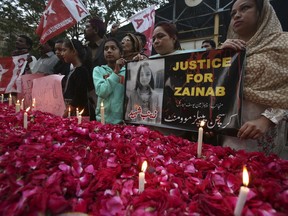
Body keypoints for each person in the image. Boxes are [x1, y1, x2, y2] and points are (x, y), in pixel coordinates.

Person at [219, 0, 288, 156]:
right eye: (233, 13)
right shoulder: (229, 49)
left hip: (263, 132)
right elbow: (212, 90)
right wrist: (218, 59)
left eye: (245, 8)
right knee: (227, 173)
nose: (237, 15)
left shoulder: (284, 44)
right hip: (228, 132)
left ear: (262, 12)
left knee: (262, 177)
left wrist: (267, 120)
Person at [93, 38, 126, 124]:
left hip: (122, 122)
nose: (109, 51)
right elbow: (102, 91)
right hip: (103, 121)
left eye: (113, 48)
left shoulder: (127, 71)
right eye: (106, 49)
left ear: (121, 53)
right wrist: (115, 73)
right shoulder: (98, 70)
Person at [84, 17, 107, 120]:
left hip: (105, 93)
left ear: (96, 30)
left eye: (87, 27)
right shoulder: (84, 49)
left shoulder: (109, 46)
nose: (84, 30)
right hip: (87, 95)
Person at [61, 39, 90, 118]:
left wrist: (70, 109)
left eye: (64, 50)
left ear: (74, 52)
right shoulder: (73, 70)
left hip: (77, 112)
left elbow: (80, 94)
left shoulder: (81, 71)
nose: (62, 53)